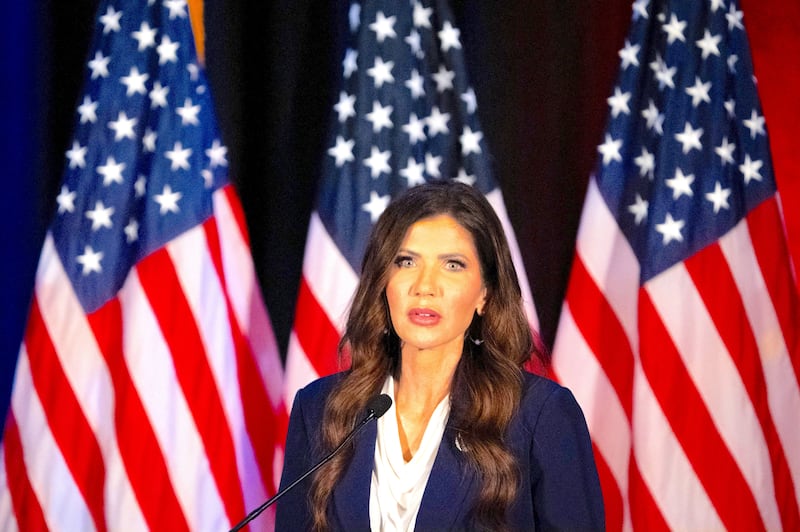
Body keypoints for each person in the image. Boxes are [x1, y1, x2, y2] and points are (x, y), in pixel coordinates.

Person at [276, 181, 605, 531]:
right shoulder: (320, 408)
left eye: (452, 265)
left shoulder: (539, 414)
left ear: (485, 294)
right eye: (406, 261)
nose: (425, 286)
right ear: (383, 282)